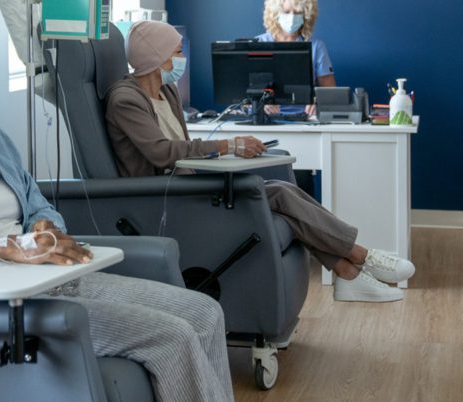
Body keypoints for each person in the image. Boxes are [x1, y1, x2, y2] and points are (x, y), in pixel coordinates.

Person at [0, 10, 233, 402]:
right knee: (171, 337)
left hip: (45, 279)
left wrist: (44, 230)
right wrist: (0, 247)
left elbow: (38, 205)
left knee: (204, 313)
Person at [106, 20, 415, 303]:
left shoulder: (167, 91)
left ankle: (349, 272)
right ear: (157, 57)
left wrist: (225, 149)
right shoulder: (126, 99)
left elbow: (183, 149)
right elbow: (161, 152)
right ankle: (361, 258)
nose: (181, 59)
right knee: (278, 193)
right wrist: (228, 144)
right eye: (176, 52)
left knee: (283, 190)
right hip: (165, 198)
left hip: (188, 186)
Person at [256, 0, 334, 116]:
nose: (292, 17)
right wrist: (260, 104)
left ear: (306, 15)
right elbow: (244, 98)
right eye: (286, 12)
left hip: (305, 119)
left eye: (298, 12)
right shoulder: (258, 44)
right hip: (266, 120)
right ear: (275, 13)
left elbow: (331, 93)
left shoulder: (316, 47)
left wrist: (318, 102)